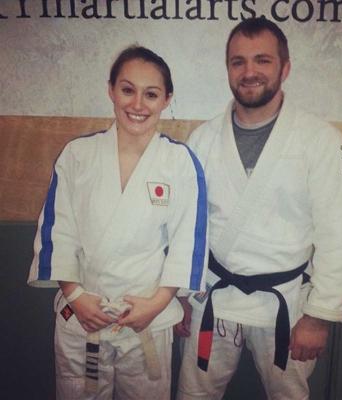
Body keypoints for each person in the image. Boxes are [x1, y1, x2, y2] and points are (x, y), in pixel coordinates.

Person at [175, 16, 342, 400]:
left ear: (285, 68)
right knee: (194, 395)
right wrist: (178, 296)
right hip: (214, 295)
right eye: (238, 61)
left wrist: (319, 316)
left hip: (287, 303)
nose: (249, 71)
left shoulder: (320, 140)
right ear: (228, 69)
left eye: (262, 60)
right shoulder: (203, 139)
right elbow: (185, 226)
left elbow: (337, 233)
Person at [27, 45, 208, 400]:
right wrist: (75, 296)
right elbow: (58, 231)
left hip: (147, 317)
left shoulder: (179, 162)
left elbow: (189, 241)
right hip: (82, 313)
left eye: (151, 94)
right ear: (111, 90)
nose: (138, 104)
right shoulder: (78, 155)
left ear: (167, 99)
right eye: (128, 90)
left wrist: (157, 304)